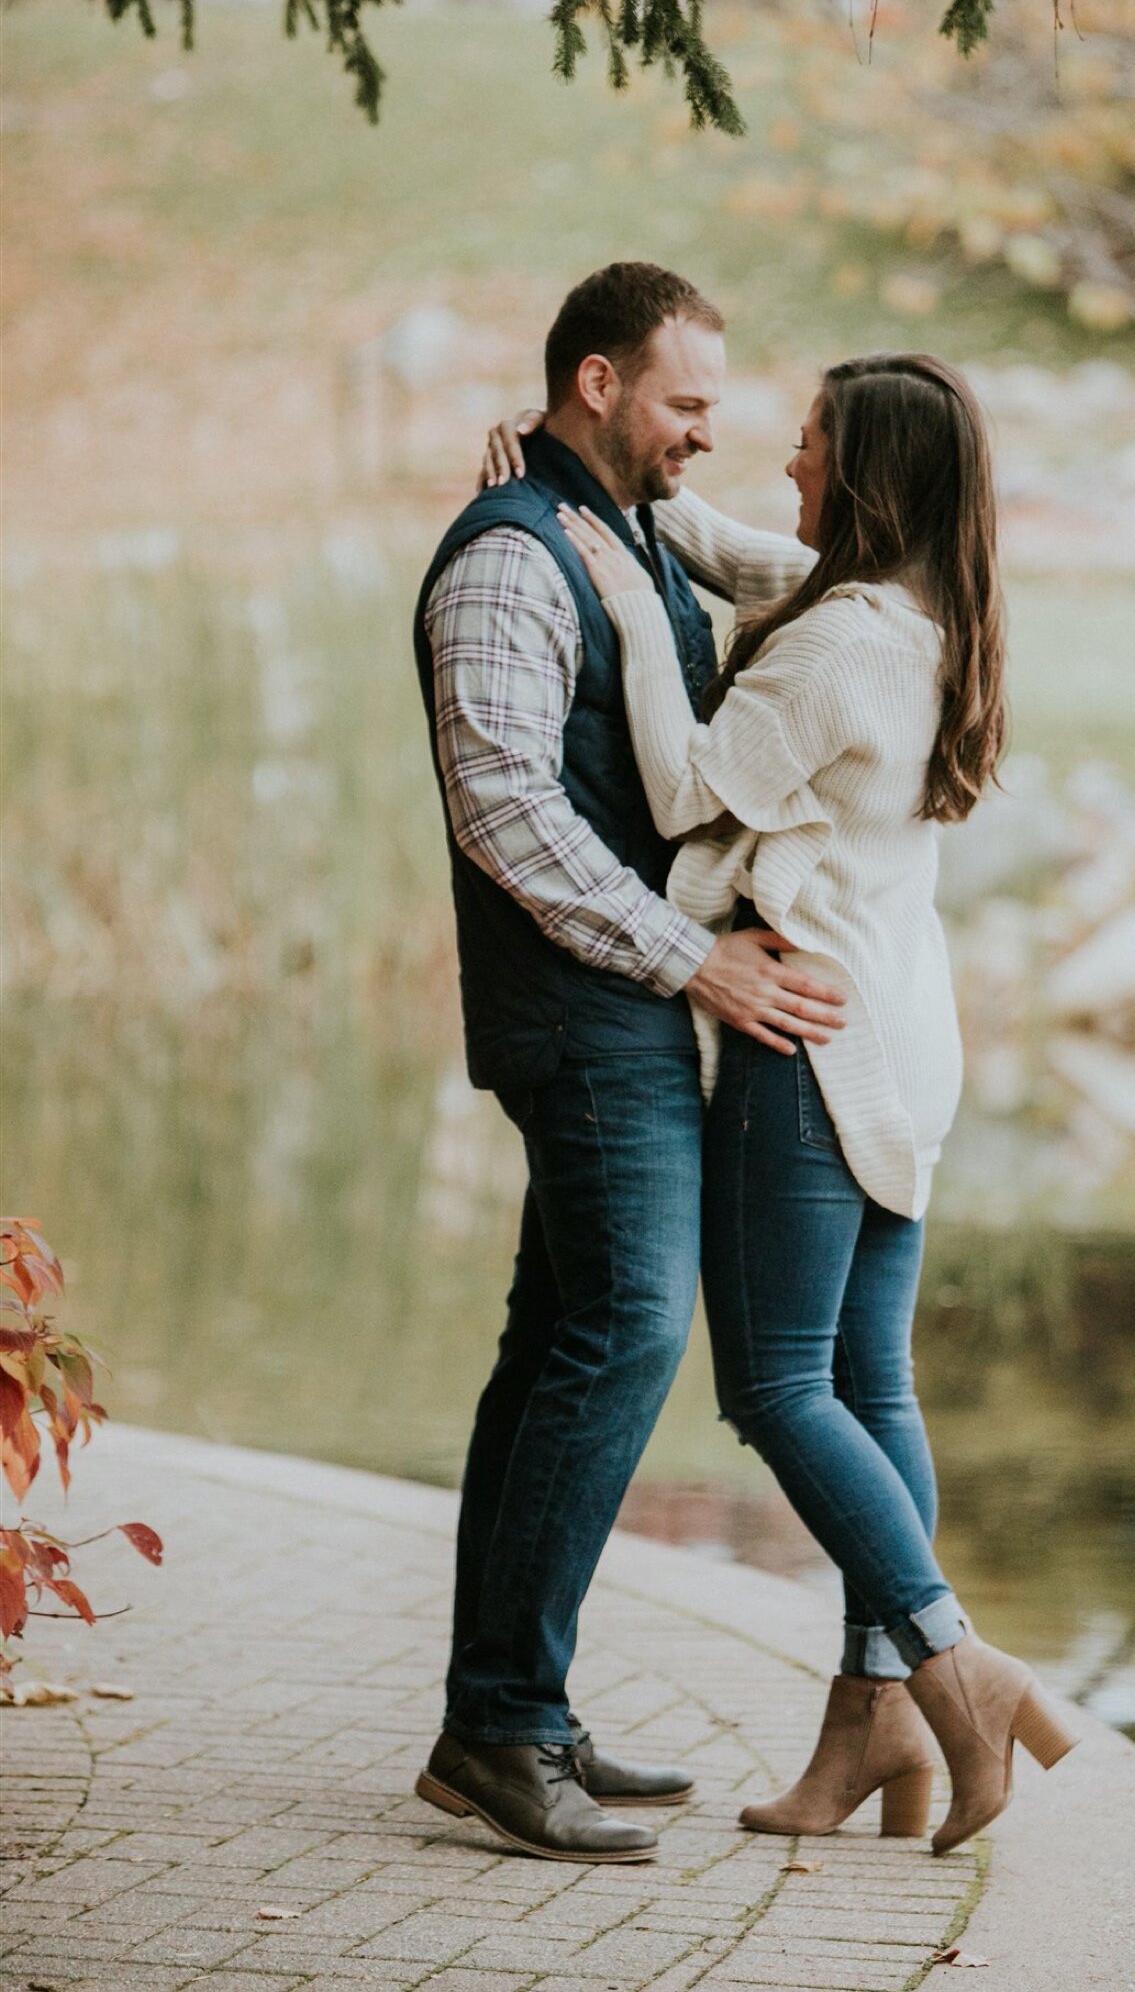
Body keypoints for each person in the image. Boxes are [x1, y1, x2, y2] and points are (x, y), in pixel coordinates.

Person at [480, 356, 1080, 1859]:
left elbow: (688, 790)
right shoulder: (921, 609)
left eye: (810, 446)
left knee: (779, 1389)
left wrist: (612, 593)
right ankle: (873, 1717)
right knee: (873, 1379)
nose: (786, 464)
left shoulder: (834, 657)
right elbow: (756, 554)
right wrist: (621, 503)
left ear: (863, 476)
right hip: (904, 1023)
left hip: (810, 1031)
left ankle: (952, 1660)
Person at [412, 263, 846, 1865]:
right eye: (683, 402)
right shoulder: (507, 563)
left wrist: (551, 466)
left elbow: (812, 584)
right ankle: (502, 1725)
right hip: (585, 1015)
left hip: (625, 1008)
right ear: (597, 382)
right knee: (625, 1329)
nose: (706, 433)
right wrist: (699, 962)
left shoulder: (628, 525)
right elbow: (509, 811)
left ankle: (516, 1704)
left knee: (556, 1345)